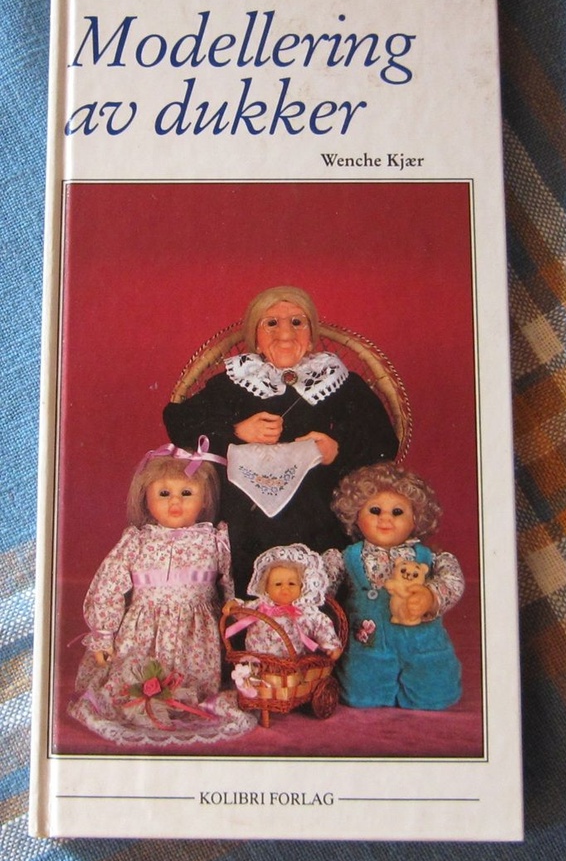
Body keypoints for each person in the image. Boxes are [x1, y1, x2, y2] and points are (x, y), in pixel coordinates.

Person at [163, 286, 399, 594]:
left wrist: (337, 449)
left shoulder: (338, 381)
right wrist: (236, 431)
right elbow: (180, 422)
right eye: (271, 323)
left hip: (321, 516)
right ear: (255, 338)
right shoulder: (235, 382)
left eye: (297, 322)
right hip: (247, 521)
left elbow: (383, 441)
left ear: (311, 336)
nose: (285, 334)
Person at [68, 441, 256, 745]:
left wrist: (233, 609)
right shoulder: (137, 541)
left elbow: (229, 582)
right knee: (134, 683)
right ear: (146, 498)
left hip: (196, 635)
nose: (175, 502)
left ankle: (186, 700)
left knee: (192, 685)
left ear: (204, 499)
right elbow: (109, 584)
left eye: (187, 493)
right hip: (144, 631)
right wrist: (103, 634)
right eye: (164, 493)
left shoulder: (214, 540)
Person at [325, 462, 464, 710]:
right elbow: (320, 586)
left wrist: (430, 596)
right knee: (360, 695)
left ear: (415, 520)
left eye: (398, 512)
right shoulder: (345, 558)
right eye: (375, 510)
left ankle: (429, 685)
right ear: (356, 516)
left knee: (436, 693)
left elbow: (452, 580)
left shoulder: (430, 558)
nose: (386, 518)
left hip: (423, 646)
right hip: (369, 648)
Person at [223, 543, 343, 660]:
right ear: (266, 588)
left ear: (302, 587)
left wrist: (331, 645)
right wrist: (234, 605)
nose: (285, 588)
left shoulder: (305, 610)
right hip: (257, 662)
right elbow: (243, 609)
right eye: (278, 584)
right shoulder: (261, 605)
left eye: (292, 583)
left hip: (292, 666)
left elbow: (322, 625)